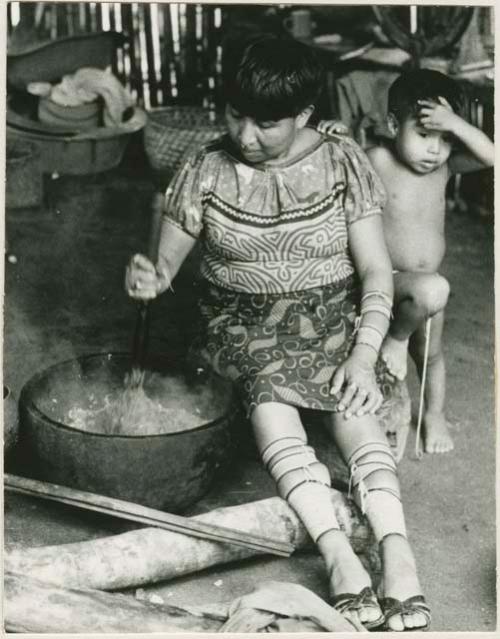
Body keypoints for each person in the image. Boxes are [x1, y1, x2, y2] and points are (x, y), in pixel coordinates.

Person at [126, 35, 430, 631]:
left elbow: (374, 271)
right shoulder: (205, 168)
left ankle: (397, 548)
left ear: (306, 115)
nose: (245, 136)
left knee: (352, 394)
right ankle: (337, 550)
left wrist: (364, 355)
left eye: (267, 124)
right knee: (268, 388)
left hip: (331, 311)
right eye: (236, 116)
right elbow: (163, 270)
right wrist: (149, 276)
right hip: (236, 319)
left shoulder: (343, 162)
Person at [320, 69, 494, 455]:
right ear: (394, 124)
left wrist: (457, 125)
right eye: (424, 134)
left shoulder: (446, 166)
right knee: (397, 335)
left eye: (445, 139)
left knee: (431, 357)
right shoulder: (378, 158)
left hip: (428, 289)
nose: (435, 149)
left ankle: (435, 414)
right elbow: (338, 162)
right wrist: (335, 136)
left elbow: (492, 155)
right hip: (386, 283)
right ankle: (394, 344)